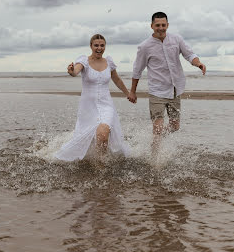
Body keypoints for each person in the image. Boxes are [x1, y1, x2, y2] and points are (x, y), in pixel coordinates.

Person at [127, 12, 206, 153]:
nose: (161, 28)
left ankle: (154, 141)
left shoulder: (176, 39)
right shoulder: (145, 46)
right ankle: (155, 159)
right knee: (158, 126)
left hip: (175, 88)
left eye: (163, 25)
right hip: (157, 91)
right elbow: (137, 70)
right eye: (158, 25)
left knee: (175, 126)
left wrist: (198, 63)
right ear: (152, 26)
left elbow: (189, 54)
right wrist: (132, 91)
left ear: (167, 25)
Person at [54, 34, 131, 165]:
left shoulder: (109, 62)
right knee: (90, 136)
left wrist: (128, 93)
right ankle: (91, 157)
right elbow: (76, 71)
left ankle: (101, 164)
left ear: (105, 46)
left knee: (103, 132)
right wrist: (72, 71)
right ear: (91, 46)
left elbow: (116, 79)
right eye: (96, 45)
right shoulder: (84, 61)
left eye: (102, 45)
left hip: (106, 105)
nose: (99, 48)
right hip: (88, 107)